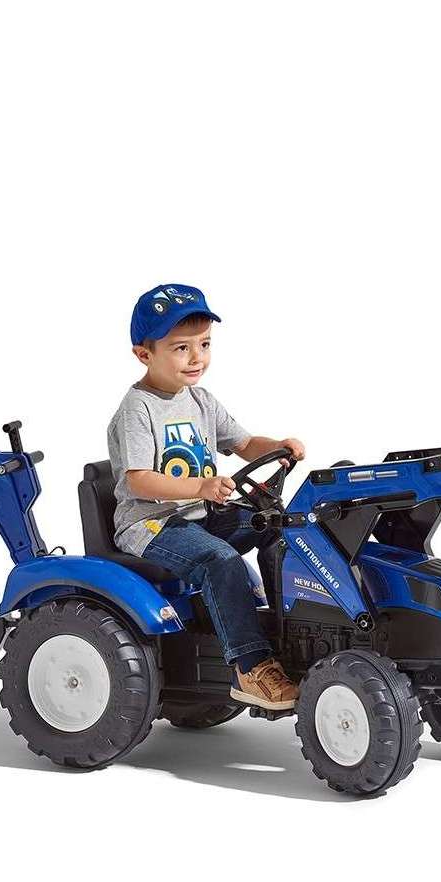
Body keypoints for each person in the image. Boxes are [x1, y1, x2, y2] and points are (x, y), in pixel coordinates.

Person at [106, 284, 306, 711]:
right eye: (181, 348)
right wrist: (201, 487)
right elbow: (139, 480)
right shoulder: (137, 409)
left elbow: (245, 443)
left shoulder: (201, 400)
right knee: (220, 560)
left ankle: (290, 627)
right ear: (144, 354)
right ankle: (250, 667)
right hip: (153, 525)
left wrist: (279, 446)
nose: (196, 357)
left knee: (279, 527)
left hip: (202, 513)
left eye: (205, 344)